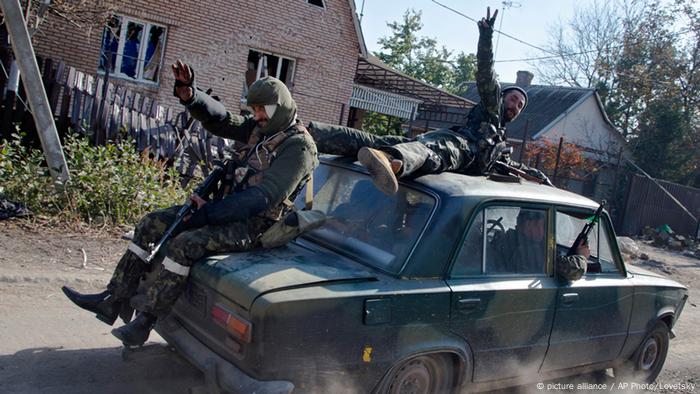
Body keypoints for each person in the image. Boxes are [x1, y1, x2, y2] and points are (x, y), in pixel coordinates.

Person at [62, 60, 318, 346]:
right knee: (150, 223)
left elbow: (262, 198)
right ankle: (114, 299)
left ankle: (146, 321)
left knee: (186, 243)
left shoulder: (299, 147)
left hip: (255, 226)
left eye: (262, 110)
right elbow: (222, 120)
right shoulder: (260, 130)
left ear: (279, 107)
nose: (256, 116)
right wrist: (191, 95)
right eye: (254, 110)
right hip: (222, 210)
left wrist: (205, 215)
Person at [308, 7, 547, 195]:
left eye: (519, 106)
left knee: (378, 141)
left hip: (452, 155)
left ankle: (312, 135)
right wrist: (486, 36)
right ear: (502, 97)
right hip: (458, 146)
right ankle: (389, 159)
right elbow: (486, 71)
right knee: (430, 154)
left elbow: (517, 169)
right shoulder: (491, 108)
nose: (515, 106)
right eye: (513, 99)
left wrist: (543, 180)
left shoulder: (501, 146)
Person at [489, 210, 590, 279]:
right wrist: (582, 258)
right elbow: (569, 270)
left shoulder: (507, 240)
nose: (544, 232)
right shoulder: (526, 249)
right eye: (542, 226)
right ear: (529, 225)